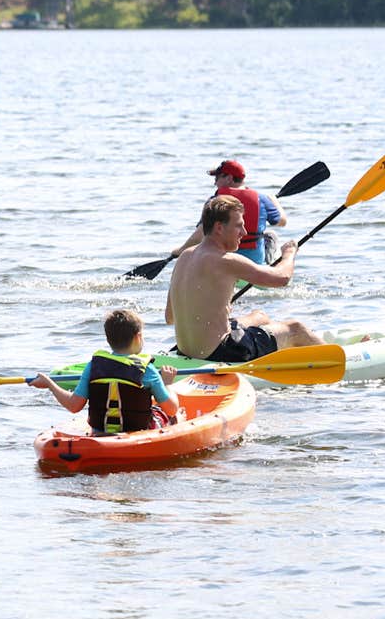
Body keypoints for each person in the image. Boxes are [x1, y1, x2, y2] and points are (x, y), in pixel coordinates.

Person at [166, 195, 323, 362]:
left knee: (259, 316)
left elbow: (170, 317)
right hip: (222, 352)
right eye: (239, 226)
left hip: (185, 352)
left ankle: (272, 341)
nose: (244, 232)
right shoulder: (226, 260)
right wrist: (289, 254)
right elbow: (282, 278)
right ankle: (342, 360)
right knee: (295, 328)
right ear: (219, 227)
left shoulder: (184, 256)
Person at [32, 309, 179, 433]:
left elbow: (74, 406)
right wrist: (167, 384)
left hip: (100, 432)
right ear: (138, 337)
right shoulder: (148, 370)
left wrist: (50, 384)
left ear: (108, 339)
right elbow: (171, 409)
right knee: (177, 414)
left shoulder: (93, 367)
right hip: (138, 432)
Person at [171, 159, 287, 267]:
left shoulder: (215, 202)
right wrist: (274, 201)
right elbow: (282, 222)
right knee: (271, 235)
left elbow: (200, 234)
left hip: (224, 265)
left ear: (229, 178)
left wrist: (181, 251)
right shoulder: (261, 198)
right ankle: (269, 268)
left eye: (217, 178)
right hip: (254, 265)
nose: (215, 183)